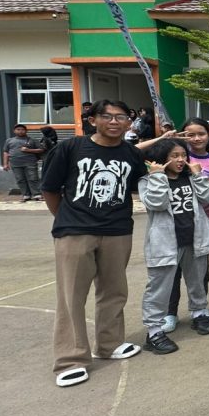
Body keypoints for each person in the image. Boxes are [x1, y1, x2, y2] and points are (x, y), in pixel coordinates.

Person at [41, 100, 147, 387]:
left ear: (129, 123)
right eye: (107, 116)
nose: (114, 122)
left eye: (121, 117)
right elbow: (50, 189)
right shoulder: (71, 148)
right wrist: (67, 218)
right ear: (93, 120)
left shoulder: (130, 154)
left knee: (114, 290)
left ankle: (109, 344)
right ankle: (71, 359)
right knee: (71, 296)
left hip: (118, 229)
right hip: (75, 231)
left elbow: (141, 183)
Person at [138, 138, 209, 354]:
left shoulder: (191, 179)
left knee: (197, 281)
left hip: (194, 239)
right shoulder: (148, 181)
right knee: (159, 287)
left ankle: (199, 314)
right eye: (175, 156)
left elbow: (207, 197)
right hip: (165, 244)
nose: (181, 160)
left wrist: (199, 175)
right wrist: (158, 177)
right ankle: (154, 331)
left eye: (183, 155)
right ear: (163, 158)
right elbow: (157, 203)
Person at [164, 117, 209, 333]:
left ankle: (199, 310)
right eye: (189, 134)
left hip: (203, 221)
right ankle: (170, 313)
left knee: (199, 271)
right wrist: (165, 139)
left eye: (201, 133)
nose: (196, 138)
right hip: (175, 223)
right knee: (172, 271)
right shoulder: (173, 158)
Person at [3, 124, 44, 201]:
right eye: (18, 129)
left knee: (33, 178)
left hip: (30, 162)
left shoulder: (32, 140)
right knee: (20, 179)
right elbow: (6, 152)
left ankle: (37, 194)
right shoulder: (9, 141)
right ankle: (26, 195)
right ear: (14, 131)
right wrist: (5, 164)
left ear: (26, 131)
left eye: (22, 129)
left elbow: (41, 150)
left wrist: (28, 150)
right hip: (15, 163)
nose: (20, 131)